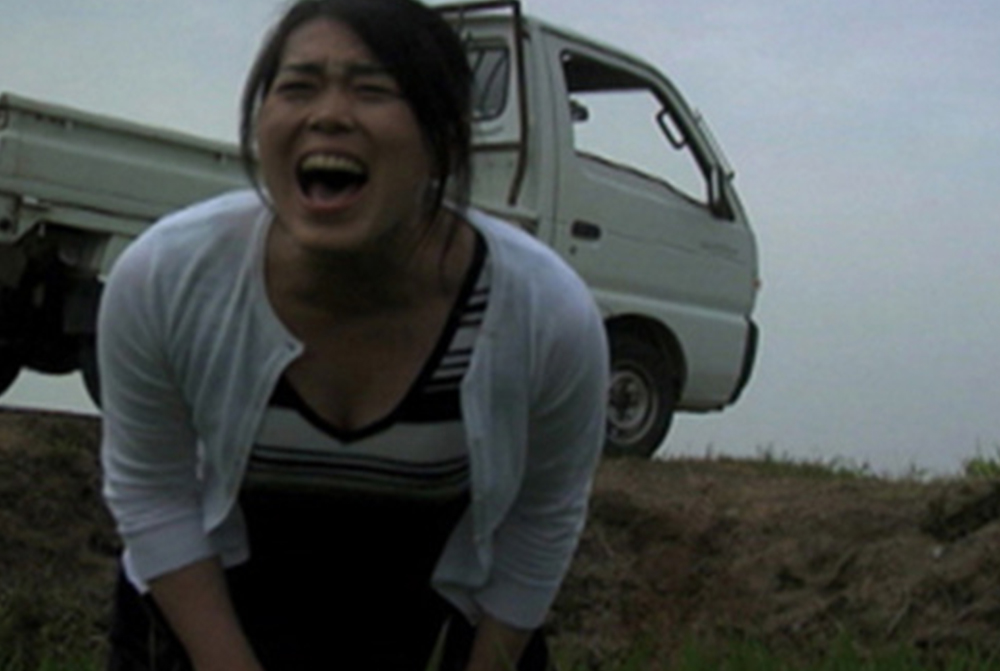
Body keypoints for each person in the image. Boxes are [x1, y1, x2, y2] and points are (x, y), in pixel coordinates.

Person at [99, 0, 608, 669]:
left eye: (372, 90)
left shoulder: (546, 314)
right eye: (297, 87)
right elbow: (153, 491)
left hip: (429, 630)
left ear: (442, 137)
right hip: (206, 624)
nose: (329, 115)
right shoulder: (165, 277)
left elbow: (541, 518)